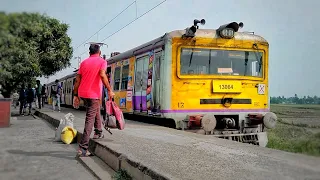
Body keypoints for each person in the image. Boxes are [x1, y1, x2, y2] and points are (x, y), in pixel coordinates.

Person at [73, 43, 114, 157]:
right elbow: (102, 74)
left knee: (94, 109)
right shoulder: (102, 61)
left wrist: (75, 95)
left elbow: (77, 80)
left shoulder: (83, 63)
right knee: (89, 119)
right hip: (93, 94)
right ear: (99, 52)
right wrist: (109, 89)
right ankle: (83, 148)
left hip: (83, 93)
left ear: (89, 52)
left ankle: (98, 131)